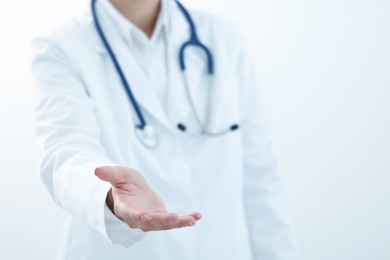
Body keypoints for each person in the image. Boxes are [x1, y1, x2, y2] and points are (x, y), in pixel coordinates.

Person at [30, 0, 296, 259]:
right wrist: (110, 196)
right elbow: (65, 151)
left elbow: (259, 176)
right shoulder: (60, 46)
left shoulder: (223, 36)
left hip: (218, 247)